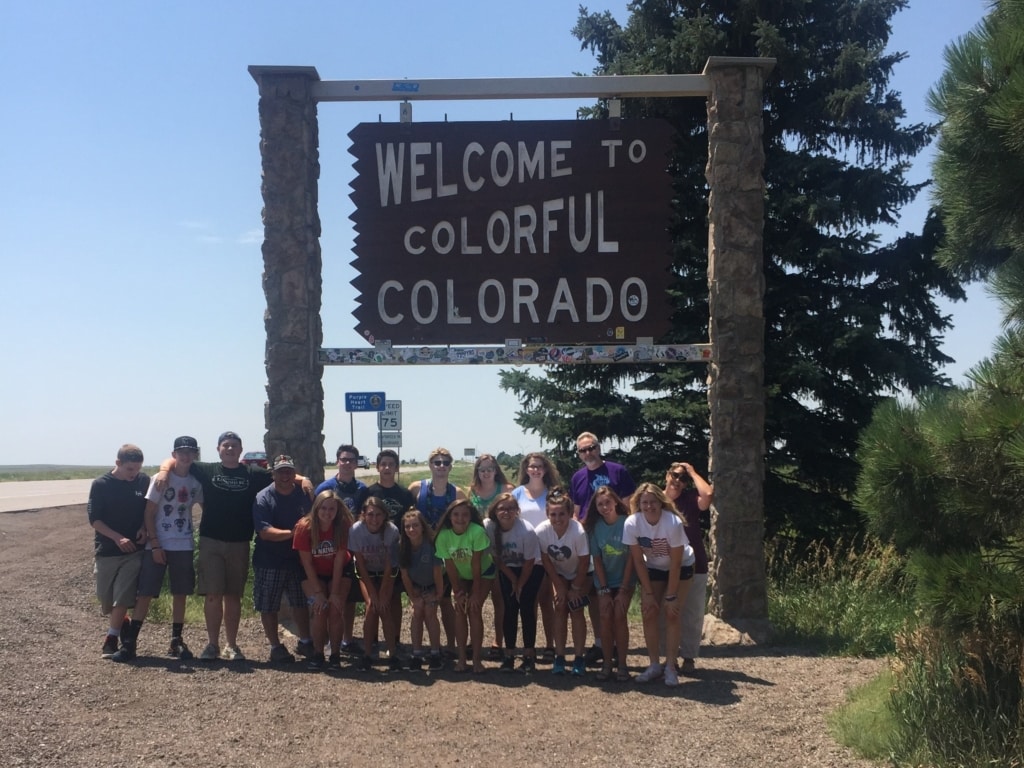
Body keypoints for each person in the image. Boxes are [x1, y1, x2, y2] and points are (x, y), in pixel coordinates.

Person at [155, 431, 311, 662]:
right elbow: (176, 459)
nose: (229, 449)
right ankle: (212, 645)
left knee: (233, 596)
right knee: (212, 595)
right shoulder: (207, 470)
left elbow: (281, 475)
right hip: (211, 541)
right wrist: (164, 470)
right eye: (225, 445)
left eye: (234, 446)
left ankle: (232, 645)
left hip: (239, 542)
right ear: (218, 449)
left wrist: (303, 479)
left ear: (240, 450)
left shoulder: (252, 473)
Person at [133, 436, 204, 661]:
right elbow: (148, 512)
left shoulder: (195, 482)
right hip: (158, 543)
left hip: (183, 543)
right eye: (181, 452)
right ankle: (130, 640)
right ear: (174, 455)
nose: (185, 456)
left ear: (195, 455)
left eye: (190, 452)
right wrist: (154, 544)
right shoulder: (160, 479)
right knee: (145, 592)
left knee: (180, 593)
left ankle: (176, 640)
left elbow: (206, 506)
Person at [569, 431, 637, 666]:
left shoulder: (618, 471)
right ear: (578, 454)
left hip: (617, 534)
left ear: (599, 447)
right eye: (583, 450)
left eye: (591, 448)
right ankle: (601, 643)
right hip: (590, 537)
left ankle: (618, 645)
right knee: (596, 593)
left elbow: (629, 503)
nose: (588, 453)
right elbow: (576, 510)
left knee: (618, 590)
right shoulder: (578, 477)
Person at [623, 482, 695, 687]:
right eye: (644, 502)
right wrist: (647, 592)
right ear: (638, 503)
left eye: (653, 502)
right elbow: (637, 560)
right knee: (649, 611)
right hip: (653, 567)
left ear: (661, 502)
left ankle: (671, 666)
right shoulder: (632, 523)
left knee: (672, 612)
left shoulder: (672, 522)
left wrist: (671, 595)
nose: (649, 506)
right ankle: (654, 664)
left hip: (681, 567)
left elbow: (676, 562)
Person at [89, 444, 148, 662]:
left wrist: (144, 528)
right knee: (106, 600)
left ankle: (111, 639)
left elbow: (148, 510)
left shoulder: (143, 481)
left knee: (123, 596)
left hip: (134, 551)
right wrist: (116, 537)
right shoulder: (101, 485)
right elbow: (95, 519)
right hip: (108, 551)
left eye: (137, 469)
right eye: (130, 469)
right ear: (118, 464)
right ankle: (121, 621)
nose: (134, 474)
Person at [252, 455, 313, 664]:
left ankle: (305, 641)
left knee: (301, 602)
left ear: (294, 473)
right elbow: (265, 531)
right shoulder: (263, 497)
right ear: (273, 474)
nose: (285, 475)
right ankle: (275, 646)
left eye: (289, 471)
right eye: (281, 471)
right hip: (269, 559)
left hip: (298, 560)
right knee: (269, 606)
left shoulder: (304, 494)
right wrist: (294, 533)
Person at [409, 446, 467, 654]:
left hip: (448, 553)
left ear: (451, 466)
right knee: (420, 603)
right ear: (430, 465)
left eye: (445, 463)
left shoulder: (457, 492)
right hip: (422, 553)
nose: (441, 466)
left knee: (445, 600)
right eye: (437, 462)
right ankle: (419, 646)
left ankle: (452, 645)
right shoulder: (417, 488)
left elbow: (464, 521)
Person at [315, 444, 369, 654]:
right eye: (343, 459)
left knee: (348, 597)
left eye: (351, 460)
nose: (347, 463)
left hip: (353, 547)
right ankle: (327, 639)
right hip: (329, 547)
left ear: (356, 464)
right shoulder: (325, 488)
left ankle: (346, 639)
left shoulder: (362, 489)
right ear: (337, 461)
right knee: (328, 594)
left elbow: (365, 515)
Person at [293, 490, 353, 670]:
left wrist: (334, 593)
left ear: (337, 510)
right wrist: (319, 593)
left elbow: (339, 562)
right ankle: (318, 653)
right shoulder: (304, 527)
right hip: (313, 572)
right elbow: (306, 563)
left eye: (332, 509)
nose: (327, 513)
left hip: (340, 570)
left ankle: (335, 654)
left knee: (335, 609)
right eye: (324, 508)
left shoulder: (343, 525)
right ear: (316, 508)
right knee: (319, 609)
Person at [511, 452, 563, 661]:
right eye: (532, 466)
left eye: (539, 466)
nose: (535, 470)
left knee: (546, 600)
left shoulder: (552, 494)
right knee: (527, 602)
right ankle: (529, 645)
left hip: (547, 554)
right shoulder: (517, 493)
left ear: (546, 469)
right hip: (524, 556)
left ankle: (550, 644)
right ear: (526, 469)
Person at [433, 498, 495, 674]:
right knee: (460, 609)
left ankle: (476, 659)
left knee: (474, 609)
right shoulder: (444, 536)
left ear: (471, 517)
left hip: (482, 573)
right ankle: (461, 658)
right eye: (456, 515)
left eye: (465, 515)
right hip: (461, 575)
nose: (460, 519)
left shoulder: (476, 532)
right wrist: (457, 591)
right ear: (449, 517)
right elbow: (450, 565)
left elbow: (476, 565)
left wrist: (475, 593)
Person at [535, 488, 592, 677]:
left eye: (562, 514)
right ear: (547, 514)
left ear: (569, 514)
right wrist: (558, 585)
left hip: (581, 573)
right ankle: (559, 656)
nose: (557, 518)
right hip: (558, 573)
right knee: (559, 608)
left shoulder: (578, 531)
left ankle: (578, 657)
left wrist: (575, 587)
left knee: (576, 609)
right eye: (553, 514)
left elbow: (584, 561)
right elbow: (545, 559)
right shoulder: (542, 531)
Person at [484, 493, 542, 673]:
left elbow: (530, 562)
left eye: (511, 508)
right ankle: (509, 655)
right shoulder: (489, 526)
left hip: (531, 569)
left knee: (526, 608)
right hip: (507, 569)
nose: (506, 512)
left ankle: (529, 655)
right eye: (502, 508)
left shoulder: (526, 530)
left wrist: (520, 584)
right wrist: (513, 580)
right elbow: (496, 558)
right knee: (509, 609)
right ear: (495, 510)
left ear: (517, 511)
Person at [664, 461, 713, 675]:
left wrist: (692, 471)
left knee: (692, 612)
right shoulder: (656, 500)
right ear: (667, 475)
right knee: (666, 613)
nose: (677, 481)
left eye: (683, 479)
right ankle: (668, 658)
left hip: (695, 564)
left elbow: (708, 494)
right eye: (675, 475)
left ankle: (689, 656)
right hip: (663, 564)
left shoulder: (690, 499)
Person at [583, 486, 635, 682]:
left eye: (607, 502)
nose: (605, 507)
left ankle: (622, 664)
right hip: (604, 580)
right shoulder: (595, 528)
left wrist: (622, 589)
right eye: (600, 504)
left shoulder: (627, 523)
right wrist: (604, 591)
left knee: (619, 615)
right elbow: (597, 560)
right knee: (605, 615)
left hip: (625, 579)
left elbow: (631, 557)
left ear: (615, 502)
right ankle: (606, 663)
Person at [348, 496, 403, 672]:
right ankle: (367, 654)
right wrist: (373, 594)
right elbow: (360, 564)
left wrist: (382, 594)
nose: (374, 519)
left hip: (387, 572)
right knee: (372, 607)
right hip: (367, 573)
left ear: (384, 516)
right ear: (363, 515)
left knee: (384, 607)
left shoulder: (391, 530)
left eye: (379, 514)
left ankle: (392, 653)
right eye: (370, 514)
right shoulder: (356, 530)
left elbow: (389, 565)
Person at [468, 454, 514, 660]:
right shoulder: (471, 492)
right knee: (474, 599)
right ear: (477, 472)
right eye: (482, 469)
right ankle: (473, 639)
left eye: (490, 468)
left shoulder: (506, 489)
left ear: (496, 471)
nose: (486, 472)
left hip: (502, 549)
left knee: (499, 599)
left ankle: (498, 640)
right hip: (477, 551)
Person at [397, 509, 444, 671]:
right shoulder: (402, 546)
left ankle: (435, 652)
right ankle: (416, 653)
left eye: (415, 525)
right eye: (407, 526)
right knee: (417, 612)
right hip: (415, 585)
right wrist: (413, 596)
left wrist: (438, 595)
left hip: (432, 585)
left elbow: (437, 572)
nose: (411, 530)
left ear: (422, 527)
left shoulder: (431, 544)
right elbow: (404, 575)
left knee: (430, 613)